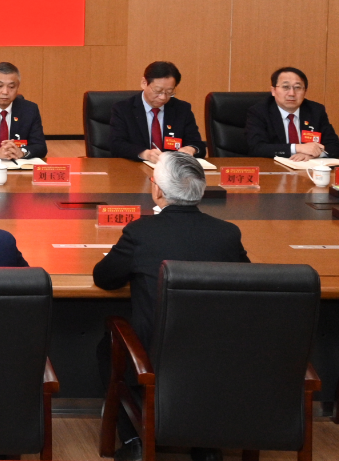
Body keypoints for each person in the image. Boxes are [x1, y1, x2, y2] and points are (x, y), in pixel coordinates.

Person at [92, 154, 249, 461]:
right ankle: (206, 444)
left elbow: (105, 278)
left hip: (153, 353)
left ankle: (134, 439)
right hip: (215, 351)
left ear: (158, 191)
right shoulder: (227, 234)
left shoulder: (141, 232)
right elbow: (245, 281)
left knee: (107, 346)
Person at [109, 61, 206, 161]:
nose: (163, 97)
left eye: (169, 92)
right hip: (135, 167)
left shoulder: (182, 109)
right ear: (144, 83)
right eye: (158, 91)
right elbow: (116, 145)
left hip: (172, 168)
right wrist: (144, 154)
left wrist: (191, 149)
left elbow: (198, 144)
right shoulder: (123, 109)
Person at [243, 66, 339, 160]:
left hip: (307, 169)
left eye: (297, 87)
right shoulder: (259, 111)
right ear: (273, 90)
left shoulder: (315, 111)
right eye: (285, 87)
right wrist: (297, 148)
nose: (292, 93)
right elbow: (257, 148)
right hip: (274, 168)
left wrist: (313, 154)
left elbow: (336, 147)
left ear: (305, 91)